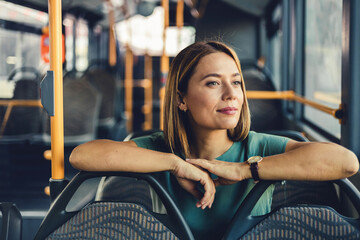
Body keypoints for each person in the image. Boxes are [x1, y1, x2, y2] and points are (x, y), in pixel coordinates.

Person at [70, 41, 359, 240]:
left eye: (236, 82)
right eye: (213, 83)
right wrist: (175, 164)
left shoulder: (258, 148)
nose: (231, 94)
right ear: (181, 99)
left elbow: (346, 163)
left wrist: (244, 170)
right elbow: (82, 155)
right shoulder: (158, 149)